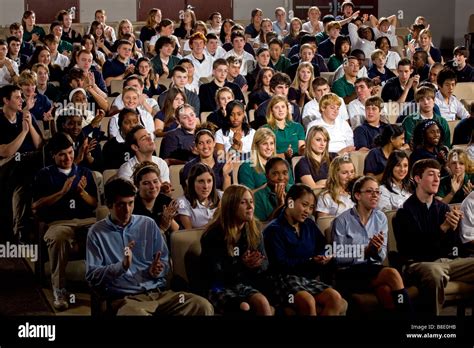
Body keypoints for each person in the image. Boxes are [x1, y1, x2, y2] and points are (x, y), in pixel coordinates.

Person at [86, 177, 213, 316]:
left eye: (130, 203)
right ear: (109, 205)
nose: (127, 210)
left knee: (201, 306)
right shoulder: (96, 232)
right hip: (126, 299)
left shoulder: (148, 224)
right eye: (121, 205)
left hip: (159, 294)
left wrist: (157, 269)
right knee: (136, 314)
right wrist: (121, 266)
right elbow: (93, 276)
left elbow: (164, 263)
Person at [394, 159, 474, 314]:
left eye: (438, 175)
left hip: (448, 263)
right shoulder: (405, 211)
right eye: (431, 175)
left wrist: (453, 229)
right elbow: (416, 250)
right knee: (435, 272)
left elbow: (453, 249)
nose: (437, 179)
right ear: (417, 179)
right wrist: (443, 228)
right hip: (418, 264)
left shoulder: (443, 208)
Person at [32, 132, 97, 310]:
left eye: (70, 152)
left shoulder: (85, 172)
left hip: (86, 220)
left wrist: (81, 192)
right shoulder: (44, 174)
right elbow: (35, 206)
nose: (67, 157)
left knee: (106, 232)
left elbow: (95, 204)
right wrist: (62, 192)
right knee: (58, 237)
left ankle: (106, 285)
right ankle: (59, 290)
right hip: (59, 223)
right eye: (62, 154)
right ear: (53, 155)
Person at [332, 176, 413, 314]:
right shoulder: (341, 220)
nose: (375, 195)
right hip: (348, 273)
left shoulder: (380, 217)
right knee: (391, 273)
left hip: (372, 269)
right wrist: (365, 251)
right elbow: (338, 257)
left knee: (386, 291)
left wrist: (374, 250)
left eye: (377, 191)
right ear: (358, 195)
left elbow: (381, 256)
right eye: (370, 191)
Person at [263, 184, 347, 315]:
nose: (308, 211)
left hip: (307, 279)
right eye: (304, 205)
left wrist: (324, 256)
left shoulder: (309, 224)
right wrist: (310, 261)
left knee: (335, 298)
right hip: (283, 280)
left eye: (311, 207)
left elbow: (325, 246)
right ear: (290, 202)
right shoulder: (274, 230)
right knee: (308, 301)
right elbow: (280, 264)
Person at [200, 184, 273, 315]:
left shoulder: (254, 228)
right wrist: (242, 265)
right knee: (243, 307)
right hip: (218, 286)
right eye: (243, 202)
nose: (250, 207)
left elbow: (265, 264)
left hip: (243, 283)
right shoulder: (213, 235)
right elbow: (216, 273)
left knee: (262, 302)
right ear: (231, 206)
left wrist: (257, 264)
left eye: (251, 202)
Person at [0, 84, 43, 242]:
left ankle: (21, 230)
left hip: (27, 164)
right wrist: (23, 132)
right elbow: (5, 152)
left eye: (21, 97)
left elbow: (40, 145)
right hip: (5, 165)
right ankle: (19, 230)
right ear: (6, 100)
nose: (21, 100)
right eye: (17, 97)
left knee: (24, 183)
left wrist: (29, 125)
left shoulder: (24, 116)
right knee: (25, 165)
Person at [132, 161, 179, 235]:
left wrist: (169, 219)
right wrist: (162, 228)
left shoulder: (166, 201)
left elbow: (178, 233)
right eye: (146, 183)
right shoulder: (132, 206)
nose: (153, 187)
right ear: (137, 185)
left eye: (155, 181)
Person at [118, 125, 170, 192]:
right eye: (144, 138)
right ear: (135, 147)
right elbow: (129, 196)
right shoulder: (126, 169)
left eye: (149, 135)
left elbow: (167, 193)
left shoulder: (161, 163)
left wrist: (166, 189)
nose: (150, 138)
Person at [180, 125, 232, 191]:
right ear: (196, 146)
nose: (205, 146)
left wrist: (226, 175)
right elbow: (190, 194)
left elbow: (227, 195)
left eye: (208, 142)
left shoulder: (223, 164)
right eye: (201, 143)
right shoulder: (189, 167)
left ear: (214, 143)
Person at [177, 163, 222, 229]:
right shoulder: (182, 202)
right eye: (201, 181)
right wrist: (215, 220)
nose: (206, 186)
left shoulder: (221, 195)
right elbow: (188, 234)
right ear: (192, 183)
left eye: (209, 181)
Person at [264, 95, 305, 160]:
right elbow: (265, 154)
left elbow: (301, 149)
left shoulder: (298, 127)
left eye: (283, 107)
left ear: (287, 109)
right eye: (276, 107)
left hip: (297, 163)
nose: (280, 110)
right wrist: (284, 154)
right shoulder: (266, 129)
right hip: (275, 163)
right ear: (271, 111)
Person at [296, 125, 336, 190]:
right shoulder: (303, 163)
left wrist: (321, 183)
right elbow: (312, 188)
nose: (322, 144)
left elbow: (343, 181)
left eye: (325, 140)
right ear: (309, 140)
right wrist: (331, 183)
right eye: (318, 140)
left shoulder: (333, 157)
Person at [253, 157, 291, 222]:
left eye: (285, 173)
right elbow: (262, 227)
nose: (281, 178)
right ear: (266, 175)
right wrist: (280, 205)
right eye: (275, 174)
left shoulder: (293, 191)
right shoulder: (258, 197)